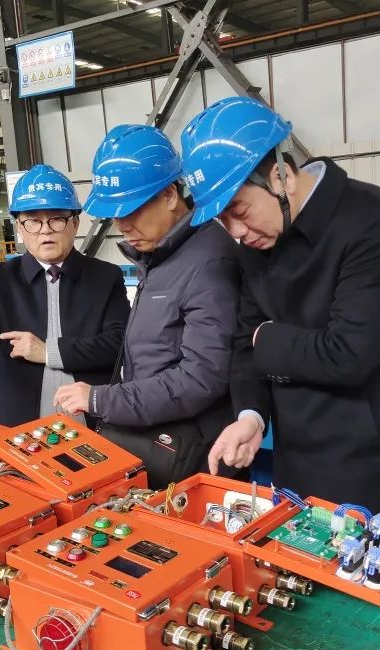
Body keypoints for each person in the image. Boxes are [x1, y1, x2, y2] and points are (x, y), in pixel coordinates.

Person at [179, 96, 380, 530]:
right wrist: (251, 416)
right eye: (222, 221)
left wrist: (268, 338)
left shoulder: (373, 220)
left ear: (281, 176)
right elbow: (244, 343)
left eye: (239, 211)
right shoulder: (257, 242)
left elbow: (349, 354)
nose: (237, 232)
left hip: (370, 464)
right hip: (295, 461)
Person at [54, 124, 239, 489]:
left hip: (190, 460)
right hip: (159, 443)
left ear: (169, 195)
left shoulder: (208, 261)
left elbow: (200, 378)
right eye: (114, 213)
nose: (122, 225)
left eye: (132, 210)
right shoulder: (161, 255)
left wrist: (101, 399)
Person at [0, 164, 130, 427]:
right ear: (19, 227)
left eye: (56, 219)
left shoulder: (105, 277)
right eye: (33, 221)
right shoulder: (0, 279)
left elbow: (119, 343)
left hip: (95, 424)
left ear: (75, 223)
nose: (45, 230)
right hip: (23, 426)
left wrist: (48, 351)